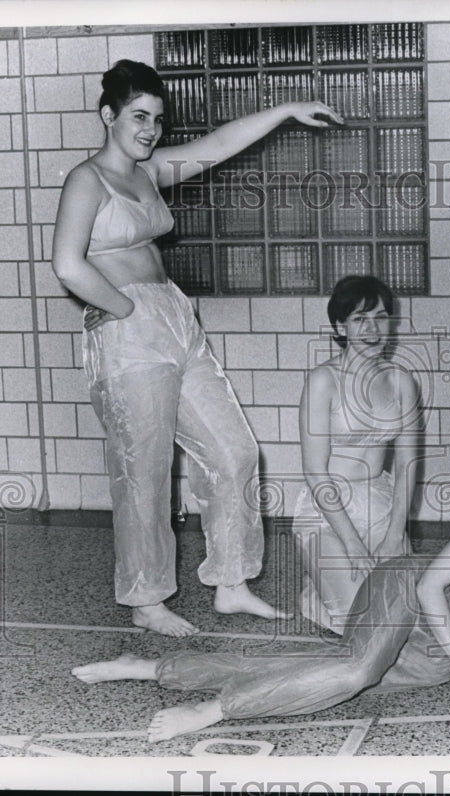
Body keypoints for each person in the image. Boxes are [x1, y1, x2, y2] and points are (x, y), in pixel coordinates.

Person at [72, 432, 450, 743]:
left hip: (440, 657)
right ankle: (209, 712)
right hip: (407, 592)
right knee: (353, 674)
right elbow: (432, 584)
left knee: (309, 662)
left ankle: (149, 668)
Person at [52, 59, 344, 637]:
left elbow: (218, 144)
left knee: (234, 449)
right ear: (108, 115)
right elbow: (66, 263)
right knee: (144, 472)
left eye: (157, 119)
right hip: (128, 329)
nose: (150, 129)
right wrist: (125, 310)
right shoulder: (87, 180)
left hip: (175, 317)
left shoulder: (150, 171)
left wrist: (286, 111)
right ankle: (147, 599)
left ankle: (232, 583)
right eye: (138, 116)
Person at [293, 276, 420, 632]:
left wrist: (396, 532)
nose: (372, 329)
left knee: (403, 618)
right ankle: (317, 593)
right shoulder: (323, 381)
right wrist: (351, 544)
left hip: (379, 503)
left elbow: (408, 464)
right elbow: (315, 471)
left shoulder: (401, 381)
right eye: (359, 319)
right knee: (362, 623)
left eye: (380, 317)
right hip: (328, 511)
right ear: (340, 326)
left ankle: (323, 584)